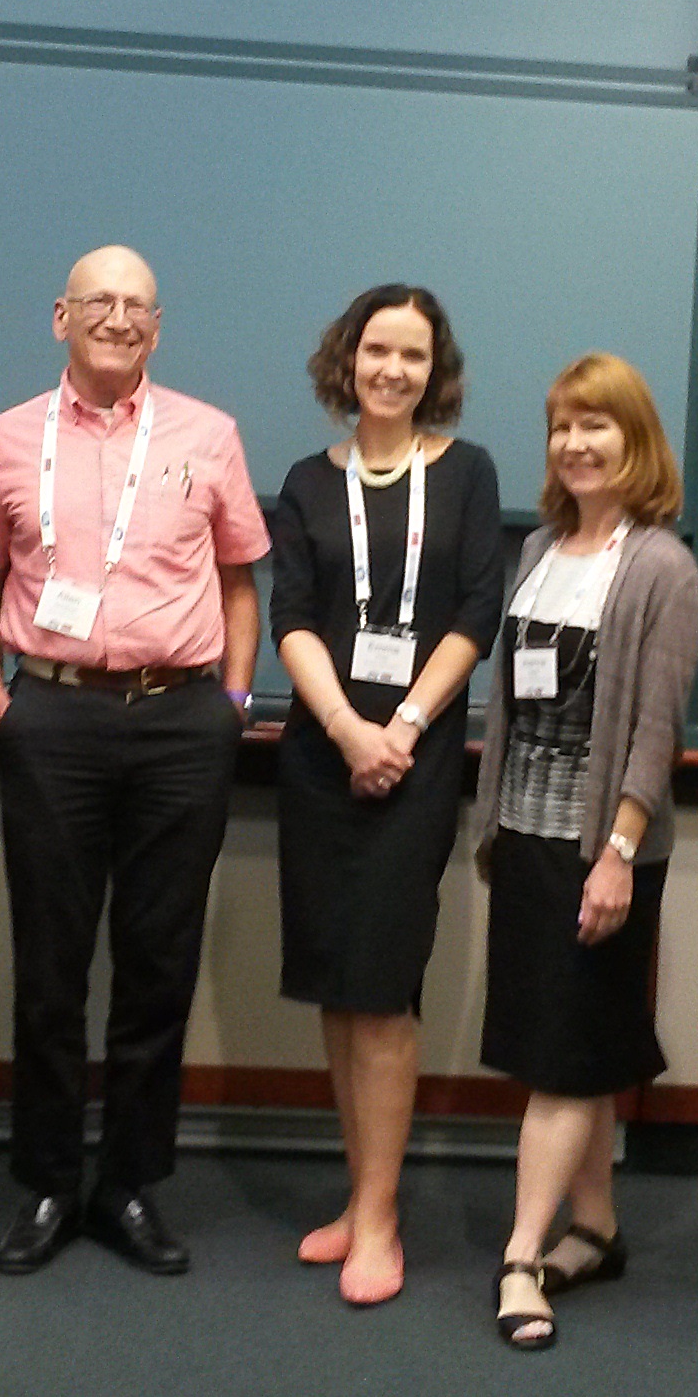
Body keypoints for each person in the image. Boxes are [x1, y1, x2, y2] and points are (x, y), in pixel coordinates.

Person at [0, 245, 269, 1277]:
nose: (119, 318)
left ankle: (130, 1185)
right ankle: (48, 1184)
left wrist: (231, 701)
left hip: (182, 724)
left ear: (158, 325)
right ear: (61, 315)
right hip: (52, 717)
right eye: (100, 300)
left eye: (138, 305)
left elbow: (238, 582)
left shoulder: (209, 436)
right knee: (50, 969)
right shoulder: (4, 442)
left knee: (157, 966)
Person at [268, 285, 506, 1307]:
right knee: (335, 981)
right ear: (347, 360)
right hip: (325, 764)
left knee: (385, 989)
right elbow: (291, 618)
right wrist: (347, 730)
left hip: (412, 766)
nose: (392, 370)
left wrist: (400, 728)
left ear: (434, 369)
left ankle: (380, 1216)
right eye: (377, 351)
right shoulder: (305, 483)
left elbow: (476, 611)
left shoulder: (467, 475)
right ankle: (359, 1196)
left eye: (413, 355)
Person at [472, 353, 698, 1351]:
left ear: (635, 440)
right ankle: (597, 1229)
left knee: (565, 1064)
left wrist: (618, 851)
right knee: (567, 1048)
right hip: (523, 835)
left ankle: (523, 1255)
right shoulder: (536, 551)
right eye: (563, 425)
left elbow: (656, 728)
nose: (576, 443)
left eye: (597, 426)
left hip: (598, 849)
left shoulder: (662, 568)